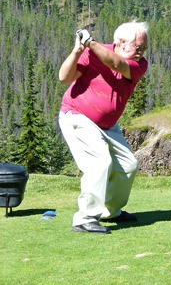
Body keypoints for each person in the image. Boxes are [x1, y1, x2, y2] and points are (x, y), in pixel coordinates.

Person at [58, 21, 149, 234]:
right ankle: (85, 218)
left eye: (144, 48)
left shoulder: (138, 64)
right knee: (99, 162)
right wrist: (77, 51)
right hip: (77, 115)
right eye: (138, 47)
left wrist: (90, 42)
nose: (141, 53)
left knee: (128, 165)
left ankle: (111, 211)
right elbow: (64, 77)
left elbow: (116, 64)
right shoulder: (91, 53)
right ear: (120, 42)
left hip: (108, 125)